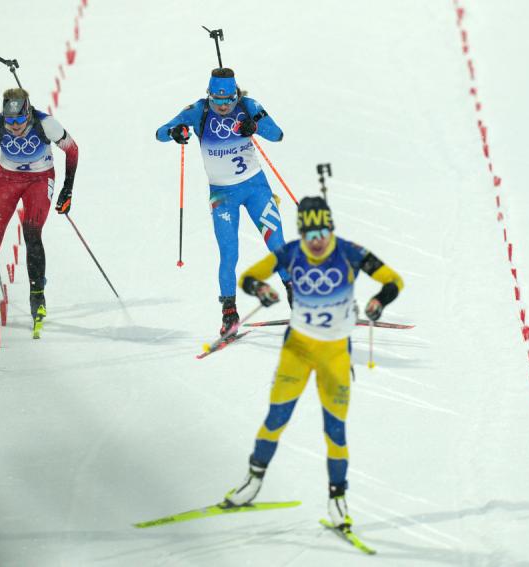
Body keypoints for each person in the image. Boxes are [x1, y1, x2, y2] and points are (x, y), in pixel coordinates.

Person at [223, 196, 404, 529]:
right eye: (310, 234)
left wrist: (380, 299)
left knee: (335, 431)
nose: (316, 241)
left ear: (331, 229)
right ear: (301, 234)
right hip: (298, 352)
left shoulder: (350, 252)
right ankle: (252, 483)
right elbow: (249, 276)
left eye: (322, 232)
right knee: (276, 417)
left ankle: (338, 500)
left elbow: (394, 280)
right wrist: (261, 288)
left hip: (334, 356)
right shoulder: (290, 253)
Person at [156, 68, 292, 335]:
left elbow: (277, 134)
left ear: (236, 94)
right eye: (217, 101)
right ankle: (229, 313)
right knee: (229, 253)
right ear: (209, 96)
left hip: (256, 188)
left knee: (277, 244)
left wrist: (255, 125)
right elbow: (161, 132)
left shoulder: (248, 105)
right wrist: (176, 132)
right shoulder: (198, 111)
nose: (223, 106)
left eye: (228, 100)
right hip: (222, 195)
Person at [0, 88, 79, 326]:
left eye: (19, 119)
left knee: (32, 233)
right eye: (10, 121)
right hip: (7, 180)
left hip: (39, 180)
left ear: (28, 112)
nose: (15, 126)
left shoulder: (46, 123)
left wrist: (67, 189)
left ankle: (37, 297)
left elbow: (72, 150)